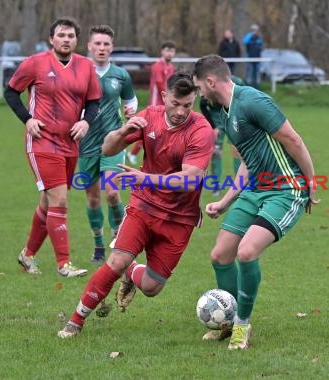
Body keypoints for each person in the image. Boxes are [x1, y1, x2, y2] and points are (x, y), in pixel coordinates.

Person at [57, 71, 214, 338]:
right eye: (175, 103)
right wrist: (121, 132)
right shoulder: (149, 116)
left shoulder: (201, 130)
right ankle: (76, 321)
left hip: (179, 219)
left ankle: (131, 271)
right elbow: (107, 149)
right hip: (144, 207)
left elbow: (190, 180)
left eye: (187, 105)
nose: (180, 111)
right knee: (116, 260)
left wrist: (145, 178)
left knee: (152, 287)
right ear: (165, 96)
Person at [193, 55, 318, 350]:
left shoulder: (252, 101)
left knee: (246, 252)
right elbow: (247, 162)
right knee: (221, 255)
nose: (199, 93)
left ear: (211, 82)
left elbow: (294, 140)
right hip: (256, 190)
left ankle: (242, 324)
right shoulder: (226, 111)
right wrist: (225, 201)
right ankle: (227, 319)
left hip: (285, 189)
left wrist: (310, 183)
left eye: (199, 87)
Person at [4, 17, 101, 277]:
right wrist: (28, 119)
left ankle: (27, 255)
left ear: (76, 40)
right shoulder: (35, 63)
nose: (66, 39)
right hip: (42, 142)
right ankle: (64, 264)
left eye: (70, 35)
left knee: (48, 202)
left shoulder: (86, 67)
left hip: (70, 144)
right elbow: (11, 91)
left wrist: (86, 123)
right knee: (59, 199)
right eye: (61, 35)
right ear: (52, 39)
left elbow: (93, 102)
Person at [79, 25, 138, 264]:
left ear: (111, 48)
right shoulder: (79, 72)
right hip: (85, 144)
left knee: (112, 192)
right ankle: (98, 246)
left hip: (114, 142)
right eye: (98, 44)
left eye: (106, 44)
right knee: (93, 199)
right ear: (89, 46)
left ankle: (118, 235)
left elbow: (131, 100)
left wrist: (131, 111)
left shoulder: (121, 75)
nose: (102, 48)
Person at [127, 41, 177, 165]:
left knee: (158, 131)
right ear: (162, 51)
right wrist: (170, 98)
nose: (169, 53)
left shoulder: (171, 67)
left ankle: (157, 155)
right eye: (167, 50)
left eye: (171, 51)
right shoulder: (157, 66)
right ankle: (130, 152)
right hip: (156, 103)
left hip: (166, 102)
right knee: (150, 130)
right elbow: (160, 85)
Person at [199, 75, 244, 196]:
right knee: (216, 152)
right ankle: (216, 187)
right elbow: (203, 105)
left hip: (233, 118)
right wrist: (213, 126)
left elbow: (245, 101)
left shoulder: (237, 83)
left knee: (237, 152)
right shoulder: (208, 87)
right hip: (217, 121)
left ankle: (240, 185)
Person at [242, 24, 263, 88]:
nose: (254, 31)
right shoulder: (248, 37)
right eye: (253, 30)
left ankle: (257, 85)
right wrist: (250, 35)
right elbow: (245, 41)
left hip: (258, 58)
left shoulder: (259, 38)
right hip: (250, 57)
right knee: (249, 71)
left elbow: (261, 46)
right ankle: (248, 84)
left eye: (256, 30)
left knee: (257, 72)